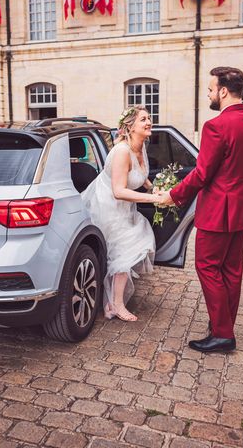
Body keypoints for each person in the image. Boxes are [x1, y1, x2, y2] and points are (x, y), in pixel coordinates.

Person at [159, 67, 243, 353]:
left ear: (222, 91)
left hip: (218, 209)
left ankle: (222, 333)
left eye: (210, 90)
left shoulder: (216, 126)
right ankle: (223, 326)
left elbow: (202, 173)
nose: (209, 94)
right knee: (232, 269)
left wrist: (173, 195)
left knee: (207, 266)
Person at [81, 105, 164, 322]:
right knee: (126, 251)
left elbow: (139, 175)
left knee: (126, 251)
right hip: (108, 207)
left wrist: (152, 188)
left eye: (149, 118)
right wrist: (154, 199)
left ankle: (111, 304)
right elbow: (118, 191)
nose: (149, 122)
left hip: (125, 206)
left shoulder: (140, 146)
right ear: (130, 126)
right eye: (143, 119)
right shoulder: (121, 151)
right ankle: (117, 305)